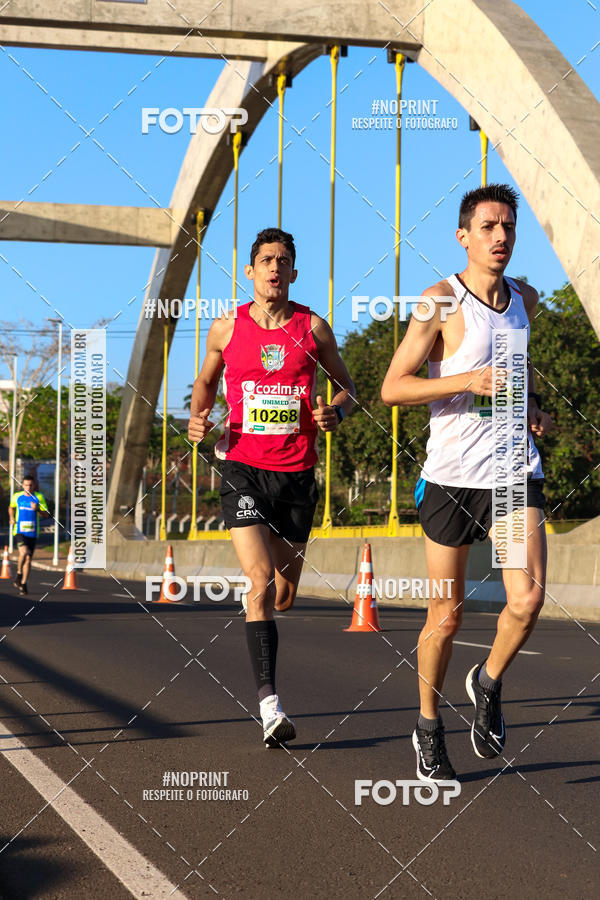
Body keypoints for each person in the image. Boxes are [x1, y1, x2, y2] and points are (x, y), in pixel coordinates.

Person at [381, 184, 553, 783]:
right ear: (464, 236)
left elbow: (519, 369)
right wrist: (464, 383)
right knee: (446, 617)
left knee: (526, 600)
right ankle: (428, 724)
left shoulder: (525, 297)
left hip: (512, 472)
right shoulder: (438, 303)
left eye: (508, 226)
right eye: (488, 227)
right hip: (453, 477)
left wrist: (531, 406)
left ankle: (487, 681)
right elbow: (393, 387)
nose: (501, 236)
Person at [188, 227, 355, 748]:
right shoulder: (225, 328)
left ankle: (264, 598)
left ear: (294, 273)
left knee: (283, 594)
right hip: (241, 468)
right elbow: (205, 382)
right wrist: (198, 416)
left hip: (297, 475)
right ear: (250, 271)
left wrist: (336, 413)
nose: (274, 268)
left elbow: (348, 388)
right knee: (259, 582)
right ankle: (269, 706)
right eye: (265, 260)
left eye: (283, 260)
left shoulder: (314, 328)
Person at [9, 475, 51, 595]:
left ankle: (23, 583)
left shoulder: (39, 497)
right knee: (24, 552)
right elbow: (11, 508)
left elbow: (46, 515)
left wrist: (37, 509)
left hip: (33, 532)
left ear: (34, 485)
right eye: (26, 485)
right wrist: (12, 518)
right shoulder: (17, 496)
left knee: (28, 559)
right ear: (22, 485)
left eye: (31, 485)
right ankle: (18, 573)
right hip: (19, 531)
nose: (28, 487)